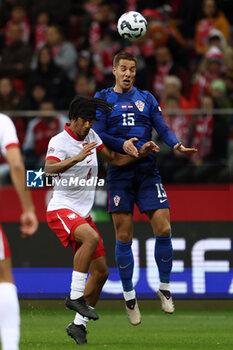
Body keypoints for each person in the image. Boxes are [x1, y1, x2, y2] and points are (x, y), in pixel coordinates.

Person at [93, 51, 197, 326]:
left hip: (148, 170)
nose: (128, 74)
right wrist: (121, 144)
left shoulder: (147, 98)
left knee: (163, 228)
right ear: (114, 70)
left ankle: (164, 287)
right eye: (123, 69)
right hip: (120, 172)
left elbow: (161, 127)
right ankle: (129, 297)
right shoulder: (103, 99)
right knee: (124, 235)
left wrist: (175, 144)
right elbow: (98, 134)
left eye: (132, 70)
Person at [45, 96, 158, 345]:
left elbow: (115, 160)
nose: (88, 125)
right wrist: (75, 158)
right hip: (61, 209)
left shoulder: (92, 137)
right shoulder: (59, 141)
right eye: (84, 121)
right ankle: (75, 296)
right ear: (73, 120)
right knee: (92, 237)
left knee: (102, 273)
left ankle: (78, 326)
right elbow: (48, 170)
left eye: (91, 121)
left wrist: (140, 154)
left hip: (82, 214)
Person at [0, 113, 38, 350]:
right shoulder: (2, 121)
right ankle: (11, 346)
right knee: (3, 278)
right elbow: (15, 163)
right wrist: (28, 208)